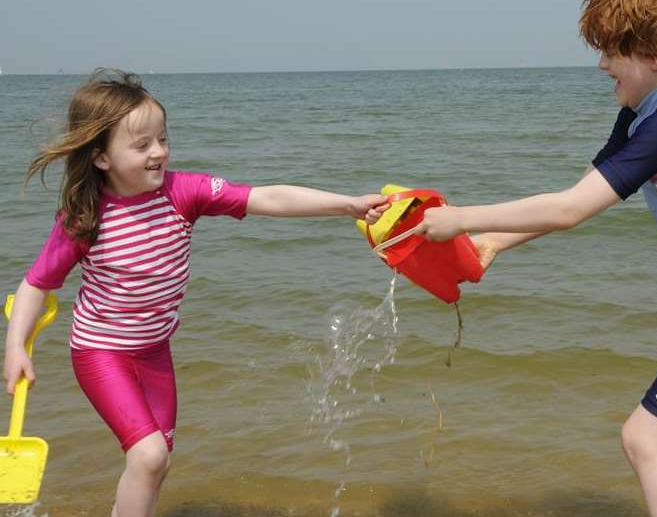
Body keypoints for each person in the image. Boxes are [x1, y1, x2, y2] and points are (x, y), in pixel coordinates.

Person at [413, 0, 657, 517]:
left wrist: (461, 218)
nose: (602, 63)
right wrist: (495, 242)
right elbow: (579, 196)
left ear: (655, 57)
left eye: (612, 50)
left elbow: (568, 211)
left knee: (643, 439)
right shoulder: (642, 111)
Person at [2, 68, 388, 517]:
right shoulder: (84, 217)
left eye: (163, 139)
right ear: (101, 157)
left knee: (155, 463)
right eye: (142, 144)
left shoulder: (184, 193)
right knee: (148, 456)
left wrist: (347, 205)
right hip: (101, 352)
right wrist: (15, 346)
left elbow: (267, 199)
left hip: (154, 352)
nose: (159, 152)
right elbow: (36, 284)